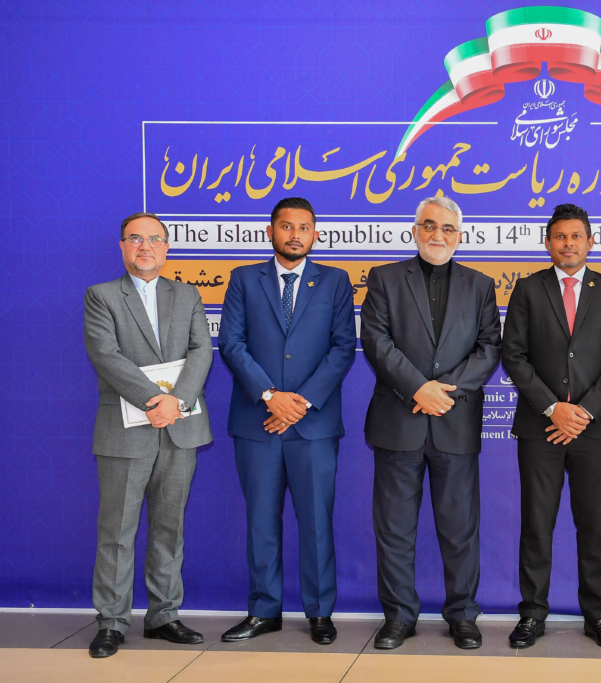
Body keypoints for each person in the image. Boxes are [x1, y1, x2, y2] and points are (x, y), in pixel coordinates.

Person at [360, 196, 501, 650]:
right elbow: (376, 341)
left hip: (454, 423)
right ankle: (399, 617)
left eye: (447, 228)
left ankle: (463, 615)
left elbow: (489, 349)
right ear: (415, 230)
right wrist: (418, 388)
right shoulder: (384, 278)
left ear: (460, 236)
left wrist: (444, 392)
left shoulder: (481, 285)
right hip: (398, 421)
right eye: (429, 226)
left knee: (460, 529)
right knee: (395, 529)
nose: (438, 235)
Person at [218, 197, 356, 645]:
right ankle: (264, 611)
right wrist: (270, 396)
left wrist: (300, 403)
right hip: (257, 422)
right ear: (270, 231)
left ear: (315, 233)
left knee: (316, 523)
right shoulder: (243, 279)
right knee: (261, 522)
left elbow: (343, 348)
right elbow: (231, 343)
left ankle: (320, 612)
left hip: (313, 425)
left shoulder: (335, 281)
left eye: (304, 227)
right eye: (286, 226)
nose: (295, 235)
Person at [501, 203, 601, 650]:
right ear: (547, 243)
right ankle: (531, 614)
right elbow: (513, 355)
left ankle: (597, 616)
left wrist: (583, 411)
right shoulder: (527, 289)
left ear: (590, 242)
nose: (568, 244)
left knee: (592, 525)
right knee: (537, 524)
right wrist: (552, 407)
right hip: (540, 429)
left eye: (576, 236)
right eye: (560, 236)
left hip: (592, 431)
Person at [83, 212, 213, 657]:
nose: (145, 247)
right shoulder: (101, 296)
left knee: (169, 528)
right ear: (122, 246)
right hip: (125, 430)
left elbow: (201, 350)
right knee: (117, 530)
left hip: (180, 427)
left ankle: (164, 616)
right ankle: (112, 621)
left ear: (167, 247)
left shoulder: (188, 294)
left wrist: (177, 401)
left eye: (154, 239)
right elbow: (106, 355)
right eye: (135, 239)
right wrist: (155, 400)